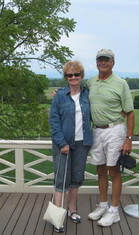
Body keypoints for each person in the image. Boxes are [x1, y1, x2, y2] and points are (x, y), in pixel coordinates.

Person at [87, 49, 135, 227]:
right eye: (100, 60)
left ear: (113, 62)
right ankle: (102, 205)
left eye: (106, 60)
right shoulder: (91, 82)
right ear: (97, 62)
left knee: (113, 170)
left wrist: (128, 139)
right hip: (97, 131)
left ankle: (114, 211)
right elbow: (76, 92)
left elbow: (129, 113)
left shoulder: (120, 83)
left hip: (115, 130)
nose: (103, 62)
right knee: (100, 169)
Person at [49, 61, 93, 232]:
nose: (73, 78)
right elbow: (54, 121)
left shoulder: (87, 94)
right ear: (66, 77)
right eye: (69, 75)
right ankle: (57, 216)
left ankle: (72, 210)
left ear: (81, 76)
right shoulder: (59, 95)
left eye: (76, 74)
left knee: (76, 178)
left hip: (82, 143)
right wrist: (62, 142)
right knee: (61, 180)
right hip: (64, 145)